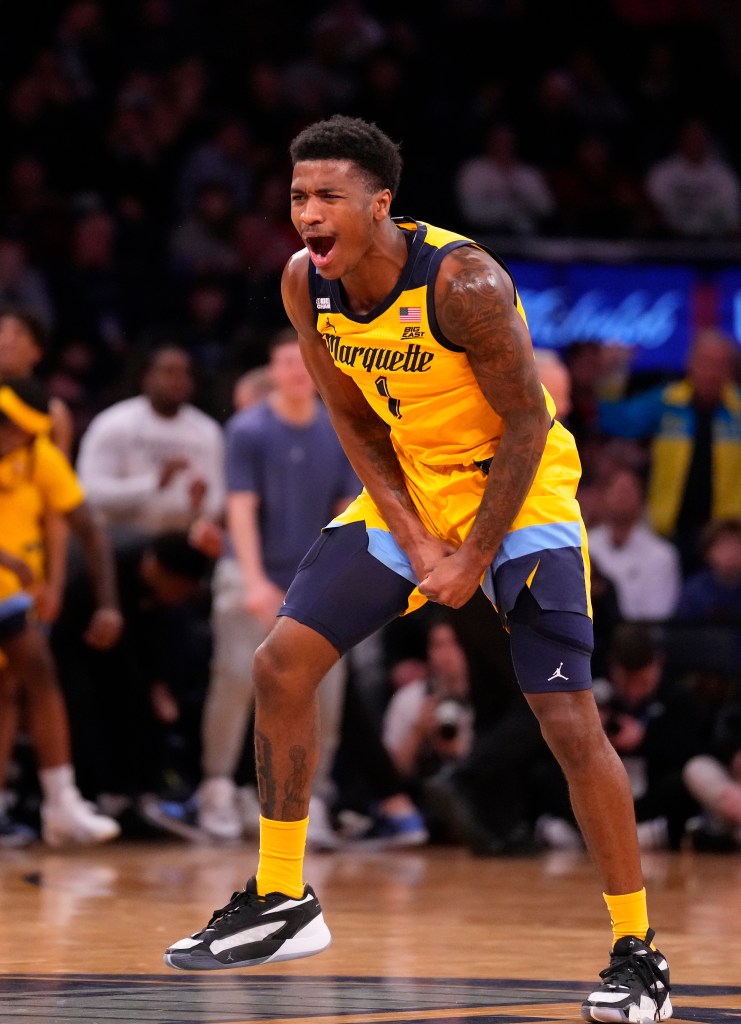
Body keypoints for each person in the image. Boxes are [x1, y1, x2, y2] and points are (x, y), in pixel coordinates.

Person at [164, 115, 672, 1024]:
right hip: (414, 490)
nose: (306, 215)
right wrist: (415, 536)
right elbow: (355, 423)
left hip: (518, 494)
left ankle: (637, 951)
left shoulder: (464, 282)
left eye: (326, 198)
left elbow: (526, 426)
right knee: (280, 662)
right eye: (296, 198)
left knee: (564, 719)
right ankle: (283, 896)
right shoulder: (302, 285)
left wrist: (472, 556)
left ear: (379, 204)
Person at [181, 328, 359, 847]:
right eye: (286, 362)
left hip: (313, 575)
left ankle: (315, 800)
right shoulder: (248, 429)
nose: (297, 371)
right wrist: (255, 581)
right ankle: (215, 788)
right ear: (273, 370)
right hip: (251, 569)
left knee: (328, 689)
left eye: (305, 361)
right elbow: (240, 507)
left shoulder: (337, 429)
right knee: (236, 677)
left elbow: (345, 513)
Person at [0, 377, 123, 845]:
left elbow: (90, 530)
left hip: (10, 596)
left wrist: (108, 605)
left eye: (22, 431)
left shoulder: (39, 457)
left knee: (37, 674)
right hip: (9, 579)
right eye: (8, 426)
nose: (12, 436)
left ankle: (61, 803)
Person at [598, 328, 741, 576]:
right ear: (690, 363)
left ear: (731, 370)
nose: (711, 373)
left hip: (725, 538)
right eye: (705, 363)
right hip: (666, 530)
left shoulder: (738, 411)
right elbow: (615, 419)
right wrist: (613, 376)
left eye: (720, 365)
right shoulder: (667, 402)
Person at [76, 344, 225, 537]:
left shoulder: (207, 430)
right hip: (121, 537)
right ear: (146, 377)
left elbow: (219, 502)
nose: (179, 380)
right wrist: (154, 483)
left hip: (183, 540)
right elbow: (89, 493)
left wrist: (201, 502)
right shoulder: (114, 423)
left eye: (186, 373)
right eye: (169, 372)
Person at [586, 465, 682, 622]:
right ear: (603, 497)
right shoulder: (584, 546)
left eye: (628, 491)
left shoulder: (662, 555)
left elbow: (658, 617)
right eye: (616, 491)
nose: (621, 498)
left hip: (637, 641)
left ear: (643, 500)